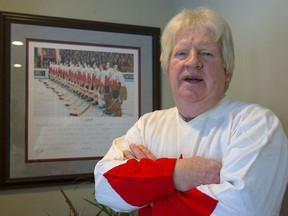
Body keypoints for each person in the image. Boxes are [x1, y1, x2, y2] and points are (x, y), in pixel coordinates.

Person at [94, 6, 288, 215]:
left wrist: (150, 187)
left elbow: (242, 210)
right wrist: (179, 173)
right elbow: (105, 187)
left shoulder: (256, 123)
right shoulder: (148, 125)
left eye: (206, 53)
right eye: (181, 53)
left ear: (227, 71)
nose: (193, 62)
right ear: (168, 69)